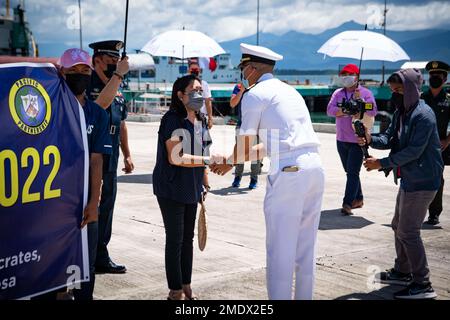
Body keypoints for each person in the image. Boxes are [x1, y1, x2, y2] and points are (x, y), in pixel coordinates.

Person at [210, 43, 325, 300]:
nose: (243, 74)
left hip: (290, 172)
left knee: (280, 250)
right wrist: (232, 160)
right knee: (305, 249)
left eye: (243, 69)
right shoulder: (290, 92)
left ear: (251, 68)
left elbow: (246, 143)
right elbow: (268, 146)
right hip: (314, 168)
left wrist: (228, 160)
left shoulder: (254, 94)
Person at [357, 69, 443, 299]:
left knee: (409, 231)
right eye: (392, 90)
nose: (394, 94)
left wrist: (382, 164)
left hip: (424, 180)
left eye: (399, 90)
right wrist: (369, 138)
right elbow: (389, 138)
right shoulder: (402, 112)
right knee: (398, 225)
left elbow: (414, 151)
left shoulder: (424, 115)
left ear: (412, 90)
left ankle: (423, 283)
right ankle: (403, 271)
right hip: (409, 178)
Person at [58, 48, 112, 300]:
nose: (80, 75)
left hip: (85, 202)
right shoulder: (48, 111)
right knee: (54, 262)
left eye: (84, 70)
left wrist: (94, 203)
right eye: (73, 70)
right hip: (54, 201)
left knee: (85, 266)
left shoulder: (98, 114)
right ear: (62, 73)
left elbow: (97, 161)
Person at [152, 74, 212, 300]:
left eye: (200, 90)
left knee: (188, 239)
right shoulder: (172, 120)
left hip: (193, 185)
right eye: (194, 90)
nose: (199, 94)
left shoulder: (202, 120)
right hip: (171, 186)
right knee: (175, 239)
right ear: (180, 95)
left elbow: (204, 152)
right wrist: (207, 162)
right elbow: (175, 157)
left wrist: (204, 180)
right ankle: (175, 289)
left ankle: (187, 285)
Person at [87, 40, 134, 274]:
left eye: (117, 62)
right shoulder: (88, 85)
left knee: (107, 205)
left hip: (112, 155)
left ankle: (100, 253)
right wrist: (117, 75)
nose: (115, 66)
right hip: (92, 155)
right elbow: (98, 108)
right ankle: (86, 252)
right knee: (91, 203)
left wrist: (127, 154)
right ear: (96, 61)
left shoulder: (118, 89)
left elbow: (121, 123)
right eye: (110, 62)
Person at [327, 64, 378, 216]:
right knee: (349, 171)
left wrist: (360, 103)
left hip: (357, 140)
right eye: (343, 75)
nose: (345, 78)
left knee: (352, 173)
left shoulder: (365, 93)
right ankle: (359, 198)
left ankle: (347, 203)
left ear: (356, 77)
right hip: (341, 139)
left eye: (348, 75)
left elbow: (373, 110)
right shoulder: (338, 93)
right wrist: (344, 111)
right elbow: (330, 111)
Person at [422, 61, 450, 225]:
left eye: (438, 75)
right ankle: (414, 210)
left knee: (436, 179)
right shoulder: (420, 98)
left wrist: (447, 140)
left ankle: (434, 214)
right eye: (432, 75)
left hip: (438, 146)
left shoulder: (448, 100)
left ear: (445, 78)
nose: (434, 78)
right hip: (419, 145)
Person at [229, 82, 262, 189]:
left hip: (257, 126)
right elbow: (232, 103)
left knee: (255, 155)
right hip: (241, 125)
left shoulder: (261, 87)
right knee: (239, 152)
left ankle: (254, 179)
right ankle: (237, 177)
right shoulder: (238, 87)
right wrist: (242, 90)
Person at [188, 59, 212, 191]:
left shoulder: (204, 84)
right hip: (190, 118)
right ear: (188, 70)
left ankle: (204, 171)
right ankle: (201, 173)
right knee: (193, 147)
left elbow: (208, 102)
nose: (195, 73)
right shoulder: (185, 84)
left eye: (196, 71)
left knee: (205, 145)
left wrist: (210, 118)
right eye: (193, 70)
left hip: (201, 118)